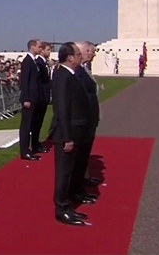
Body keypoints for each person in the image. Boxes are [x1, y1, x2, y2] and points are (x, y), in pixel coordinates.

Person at [49, 42, 90, 226]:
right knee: (64, 172)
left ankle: (67, 204)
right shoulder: (63, 76)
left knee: (70, 170)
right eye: (78, 54)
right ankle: (61, 208)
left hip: (76, 129)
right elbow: (62, 109)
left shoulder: (71, 75)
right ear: (70, 57)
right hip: (68, 132)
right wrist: (67, 137)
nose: (81, 57)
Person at [73, 42, 102, 200]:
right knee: (78, 156)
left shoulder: (84, 69)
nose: (93, 54)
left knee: (84, 153)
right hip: (82, 119)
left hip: (89, 117)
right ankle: (77, 189)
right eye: (91, 51)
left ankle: (83, 178)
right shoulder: (76, 71)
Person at [18, 39, 45, 161]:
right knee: (26, 126)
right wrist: (26, 99)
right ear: (33, 47)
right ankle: (24, 151)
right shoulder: (27, 61)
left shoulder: (35, 62)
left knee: (33, 124)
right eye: (39, 46)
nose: (41, 49)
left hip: (35, 97)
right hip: (29, 99)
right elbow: (25, 81)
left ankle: (32, 146)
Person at [32, 42, 51, 154]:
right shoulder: (39, 63)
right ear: (42, 50)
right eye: (47, 50)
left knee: (39, 122)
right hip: (40, 97)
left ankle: (36, 142)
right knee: (36, 122)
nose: (49, 52)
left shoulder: (44, 63)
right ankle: (35, 143)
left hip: (44, 96)